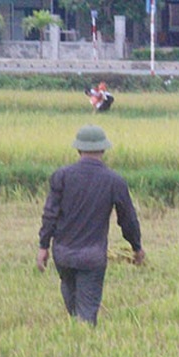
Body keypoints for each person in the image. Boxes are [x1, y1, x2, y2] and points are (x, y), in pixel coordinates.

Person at [37, 125, 145, 325]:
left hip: (63, 255)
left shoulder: (61, 176)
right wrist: (136, 247)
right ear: (103, 150)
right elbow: (128, 220)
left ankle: (76, 336)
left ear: (78, 149)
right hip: (91, 257)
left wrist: (43, 246)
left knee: (73, 303)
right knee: (86, 315)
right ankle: (83, 341)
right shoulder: (114, 181)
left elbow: (50, 215)